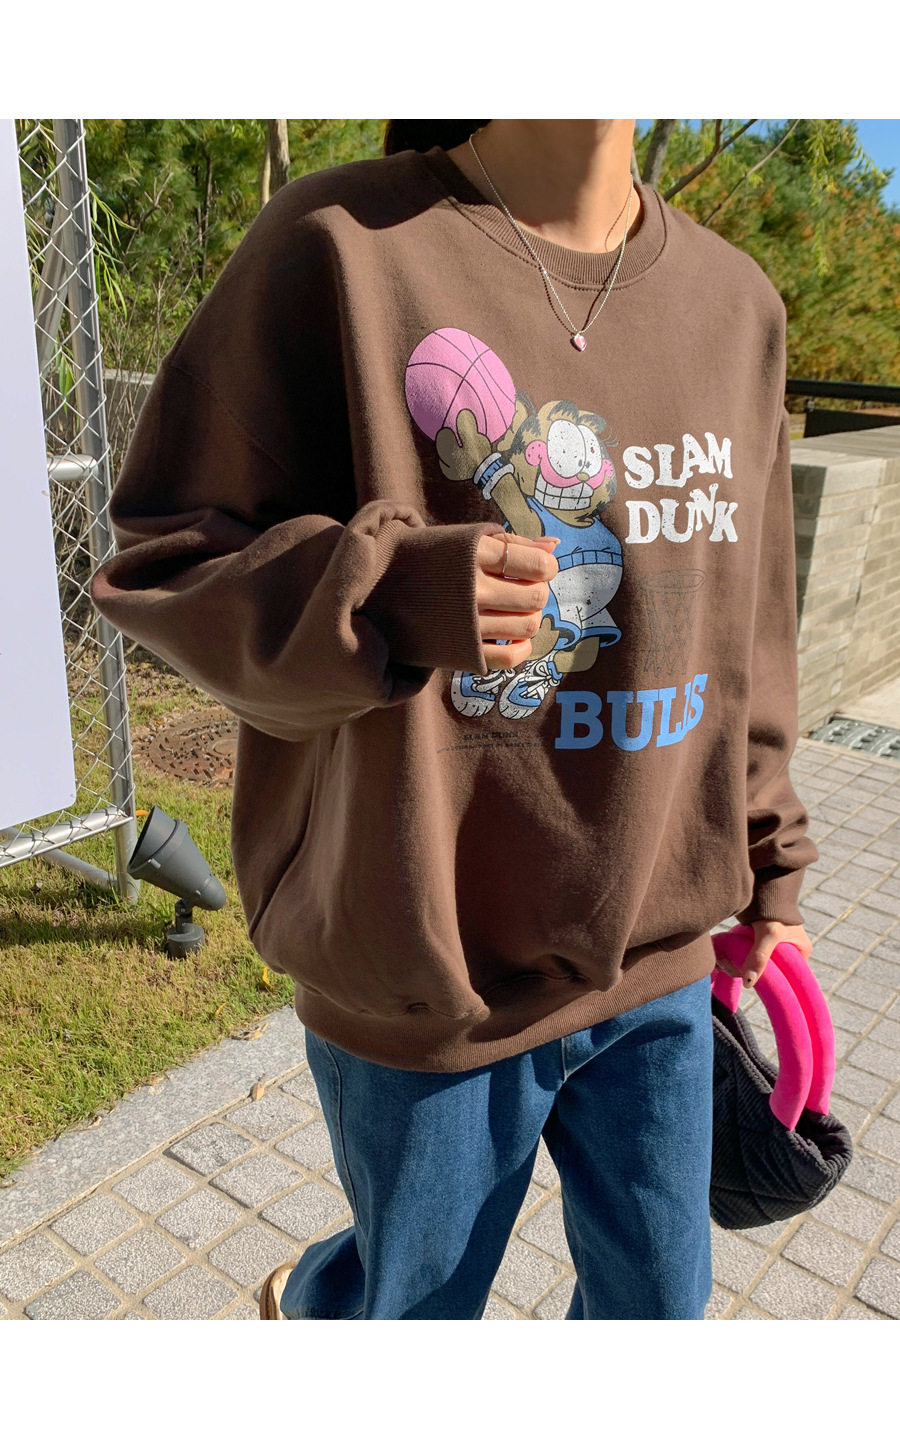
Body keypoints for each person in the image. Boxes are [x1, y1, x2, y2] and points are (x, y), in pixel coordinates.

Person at [90, 119, 817, 1320]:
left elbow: (753, 632)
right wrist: (387, 597)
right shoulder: (339, 244)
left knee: (661, 1314)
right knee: (415, 1316)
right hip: (425, 971)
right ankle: (325, 1302)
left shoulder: (738, 306)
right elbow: (165, 563)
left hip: (660, 958)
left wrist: (771, 870)